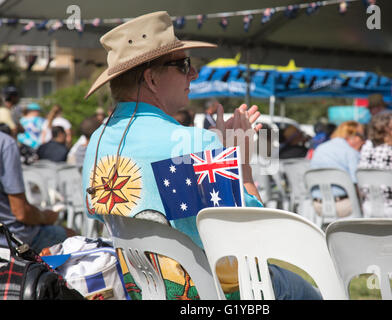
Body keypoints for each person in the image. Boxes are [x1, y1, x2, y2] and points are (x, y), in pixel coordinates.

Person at [81, 11, 321, 300]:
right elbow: (250, 239)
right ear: (151, 79)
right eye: (183, 65)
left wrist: (219, 152)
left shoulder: (97, 142)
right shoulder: (192, 142)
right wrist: (239, 162)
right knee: (308, 291)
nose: (193, 73)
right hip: (213, 293)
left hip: (143, 290)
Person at [0, 131, 76, 253]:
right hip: (10, 240)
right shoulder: (5, 143)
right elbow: (21, 212)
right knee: (72, 238)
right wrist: (45, 217)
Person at [310, 121, 366, 218]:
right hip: (343, 206)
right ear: (354, 136)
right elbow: (358, 184)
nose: (364, 142)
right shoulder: (351, 152)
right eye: (362, 137)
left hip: (317, 205)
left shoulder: (320, 148)